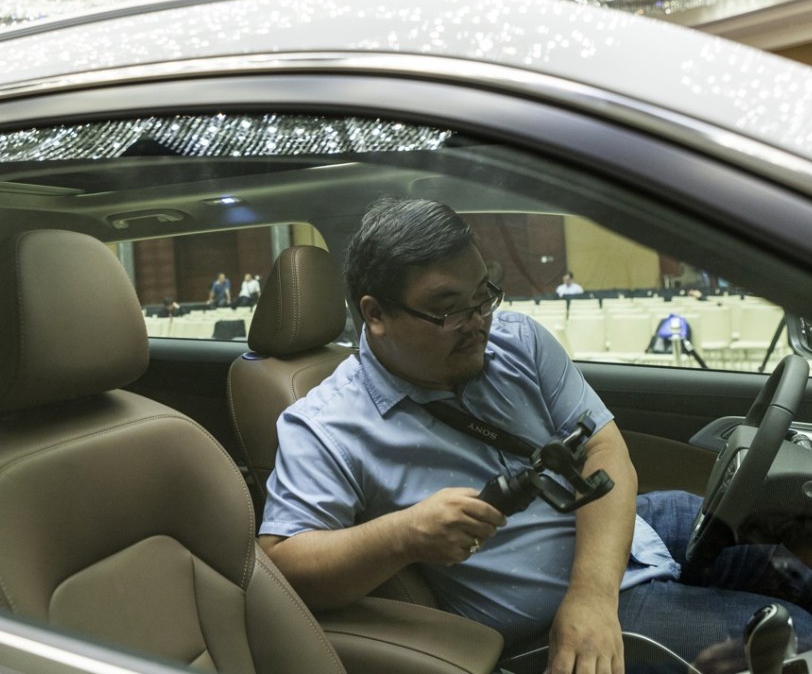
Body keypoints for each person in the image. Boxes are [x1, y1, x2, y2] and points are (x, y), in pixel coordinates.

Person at [258, 198, 811, 673]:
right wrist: (405, 534)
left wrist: (590, 595)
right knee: (802, 641)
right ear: (376, 315)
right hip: (560, 612)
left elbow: (603, 447)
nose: (479, 322)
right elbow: (282, 567)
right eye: (449, 310)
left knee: (799, 559)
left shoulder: (518, 341)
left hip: (626, 535)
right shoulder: (323, 424)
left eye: (484, 296)